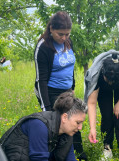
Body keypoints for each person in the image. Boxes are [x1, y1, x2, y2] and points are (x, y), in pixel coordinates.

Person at [34, 11, 86, 160]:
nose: (64, 38)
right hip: (50, 92)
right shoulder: (43, 47)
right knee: (58, 127)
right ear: (51, 29)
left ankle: (79, 154)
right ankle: (55, 156)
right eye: (60, 34)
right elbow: (40, 80)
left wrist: (73, 87)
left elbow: (71, 67)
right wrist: (46, 109)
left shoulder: (69, 42)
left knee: (75, 122)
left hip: (67, 91)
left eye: (67, 34)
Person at [0, 92, 87, 161]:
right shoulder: (39, 125)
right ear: (65, 117)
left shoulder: (67, 133)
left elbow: (70, 159)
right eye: (78, 122)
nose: (80, 127)